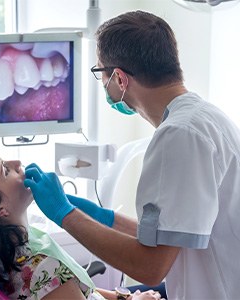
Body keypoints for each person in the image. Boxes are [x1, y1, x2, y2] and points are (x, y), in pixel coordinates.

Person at [23, 10, 240, 300]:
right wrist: (105, 218)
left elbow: (151, 267)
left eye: (101, 73)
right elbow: (177, 231)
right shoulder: (204, 119)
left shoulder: (179, 136)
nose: (103, 83)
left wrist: (66, 216)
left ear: (120, 79)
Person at [0, 144, 163, 300]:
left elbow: (81, 288)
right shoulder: (42, 271)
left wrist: (122, 296)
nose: (18, 163)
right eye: (4, 170)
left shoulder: (9, 253)